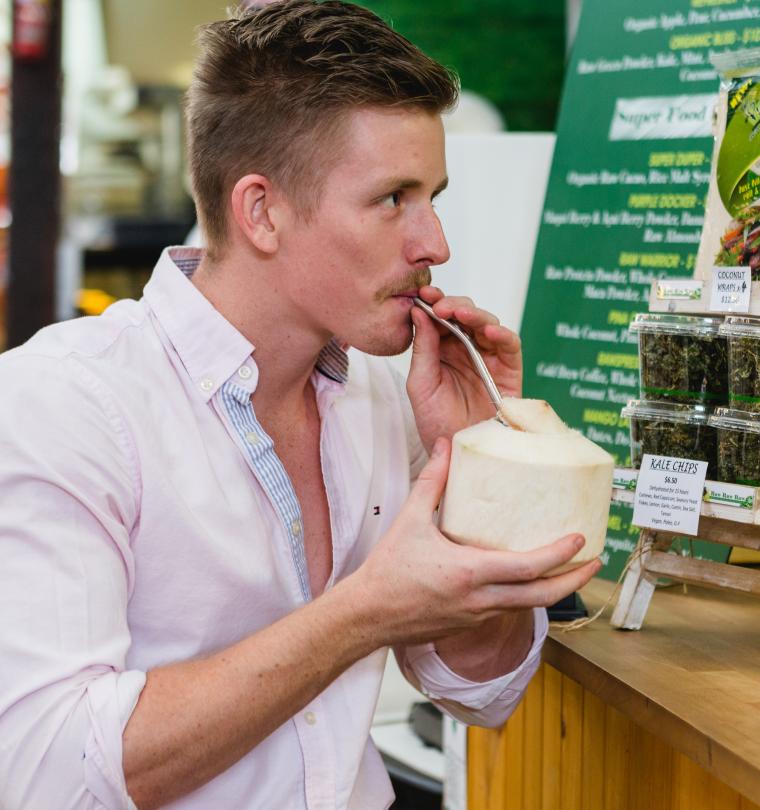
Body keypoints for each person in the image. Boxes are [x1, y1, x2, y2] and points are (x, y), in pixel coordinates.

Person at [0, 2, 600, 808]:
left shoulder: (389, 397)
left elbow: (478, 690)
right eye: (393, 198)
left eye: (434, 196)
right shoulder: (63, 406)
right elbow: (47, 776)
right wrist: (360, 615)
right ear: (262, 211)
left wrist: (479, 465)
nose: (435, 244)